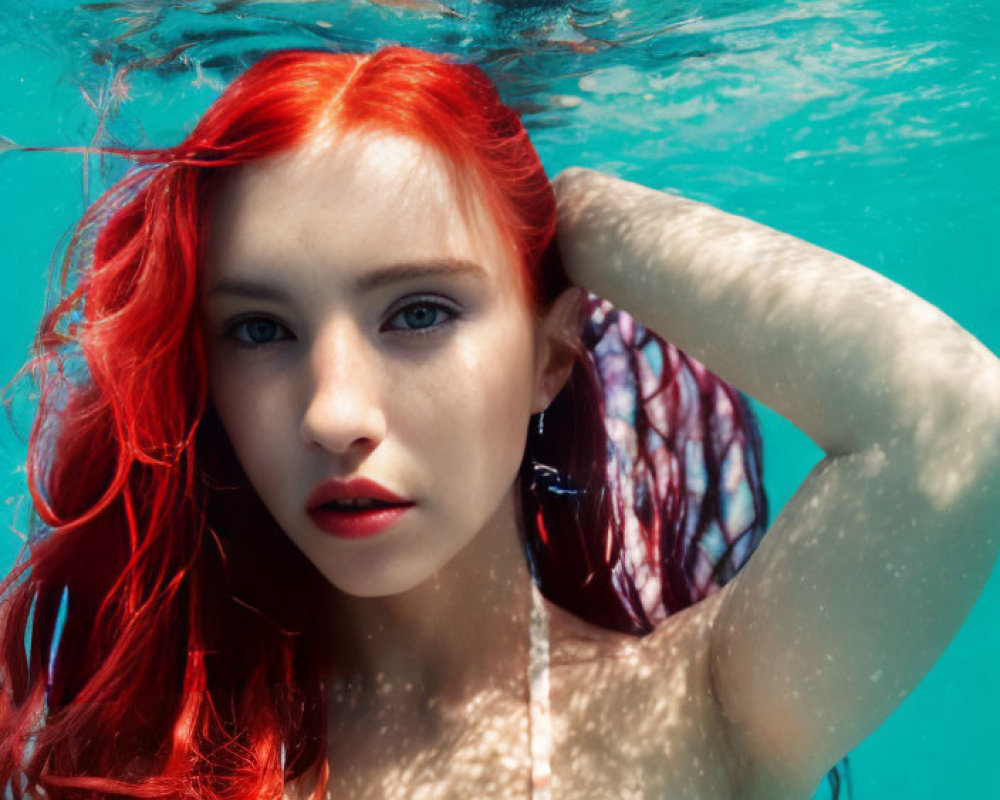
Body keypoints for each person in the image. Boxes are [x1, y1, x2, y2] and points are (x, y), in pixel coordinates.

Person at [1, 44, 997, 800]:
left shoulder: (707, 704)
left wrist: (575, 215)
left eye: (420, 311)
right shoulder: (130, 746)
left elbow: (954, 420)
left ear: (552, 353)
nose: (335, 413)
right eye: (260, 327)